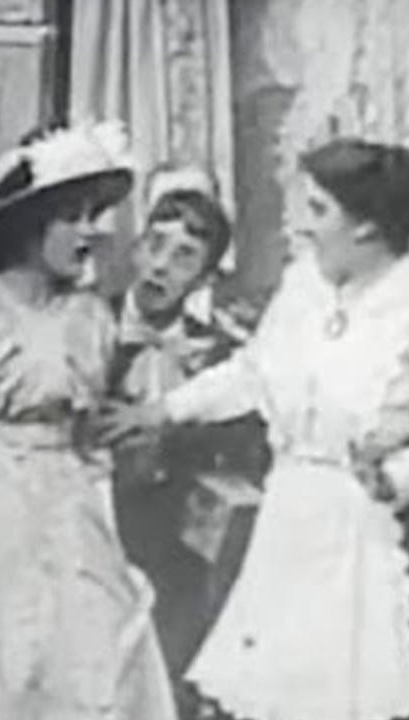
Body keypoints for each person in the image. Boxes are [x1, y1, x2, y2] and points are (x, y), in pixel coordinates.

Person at [101, 139, 409, 720]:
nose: (302, 226)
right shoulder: (304, 288)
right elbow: (252, 374)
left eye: (318, 210)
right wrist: (163, 410)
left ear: (368, 227)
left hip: (361, 533)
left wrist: (394, 477)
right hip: (287, 518)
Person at [0, 121, 176, 720]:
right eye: (73, 216)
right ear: (28, 224)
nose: (91, 231)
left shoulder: (92, 317)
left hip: (73, 515)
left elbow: (93, 449)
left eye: (95, 215)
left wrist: (113, 545)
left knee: (85, 669)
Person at [106, 189, 268, 696]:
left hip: (176, 540)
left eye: (183, 258)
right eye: (154, 245)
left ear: (203, 278)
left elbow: (240, 451)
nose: (160, 266)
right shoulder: (86, 324)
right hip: (97, 523)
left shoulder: (220, 355)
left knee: (169, 673)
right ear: (136, 248)